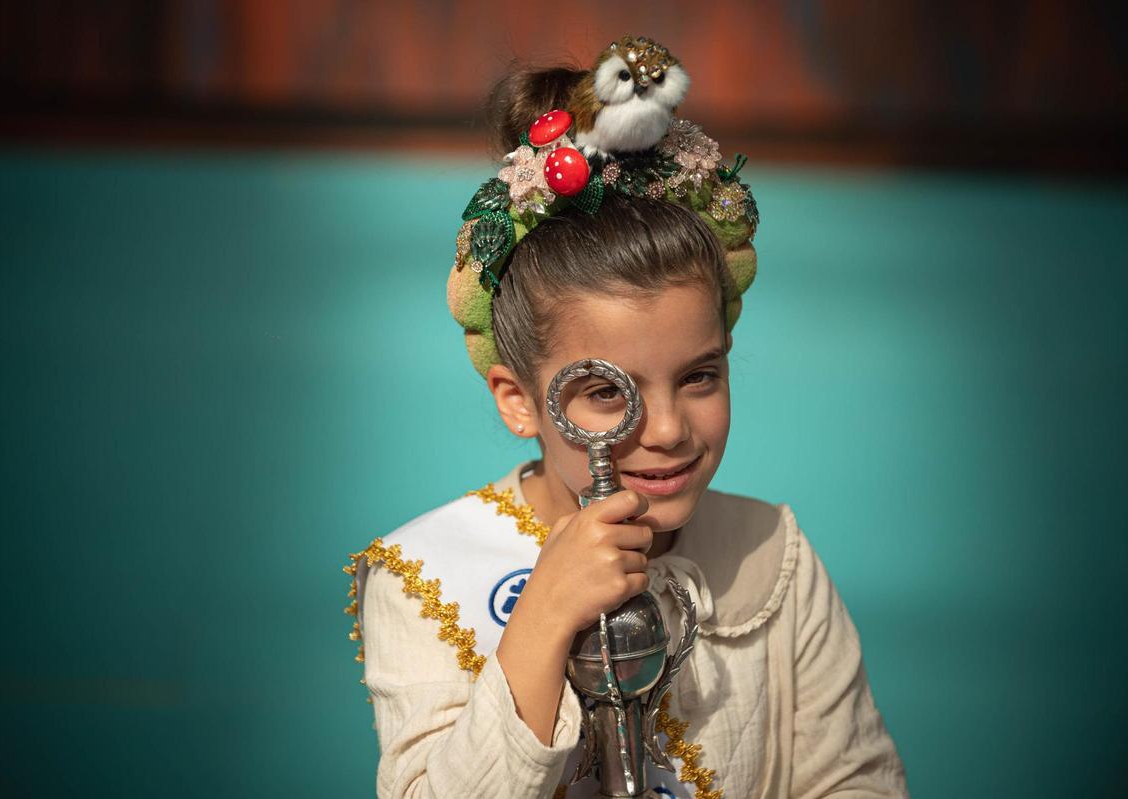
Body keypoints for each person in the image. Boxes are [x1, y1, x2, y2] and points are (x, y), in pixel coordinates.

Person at [343, 35, 909, 799]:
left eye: (700, 375)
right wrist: (542, 615)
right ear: (518, 400)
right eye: (609, 392)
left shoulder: (773, 555)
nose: (669, 429)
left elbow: (856, 781)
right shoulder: (425, 577)